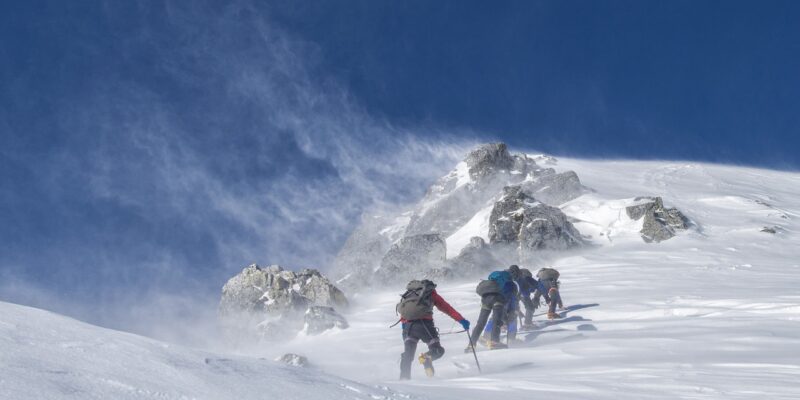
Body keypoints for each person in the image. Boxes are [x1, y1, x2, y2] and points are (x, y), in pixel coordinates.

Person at [396, 279, 469, 380]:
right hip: (425, 326)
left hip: (408, 328)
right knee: (437, 350)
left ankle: (404, 379)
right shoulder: (430, 293)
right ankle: (426, 358)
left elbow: (404, 314)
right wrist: (462, 320)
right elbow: (447, 308)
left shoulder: (408, 294)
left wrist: (404, 332)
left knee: (408, 355)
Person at [467, 266, 518, 351]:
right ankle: (495, 342)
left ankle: (471, 345)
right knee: (497, 321)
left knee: (480, 323)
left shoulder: (496, 276)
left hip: (485, 298)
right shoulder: (511, 284)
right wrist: (510, 314)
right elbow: (511, 300)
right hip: (497, 299)